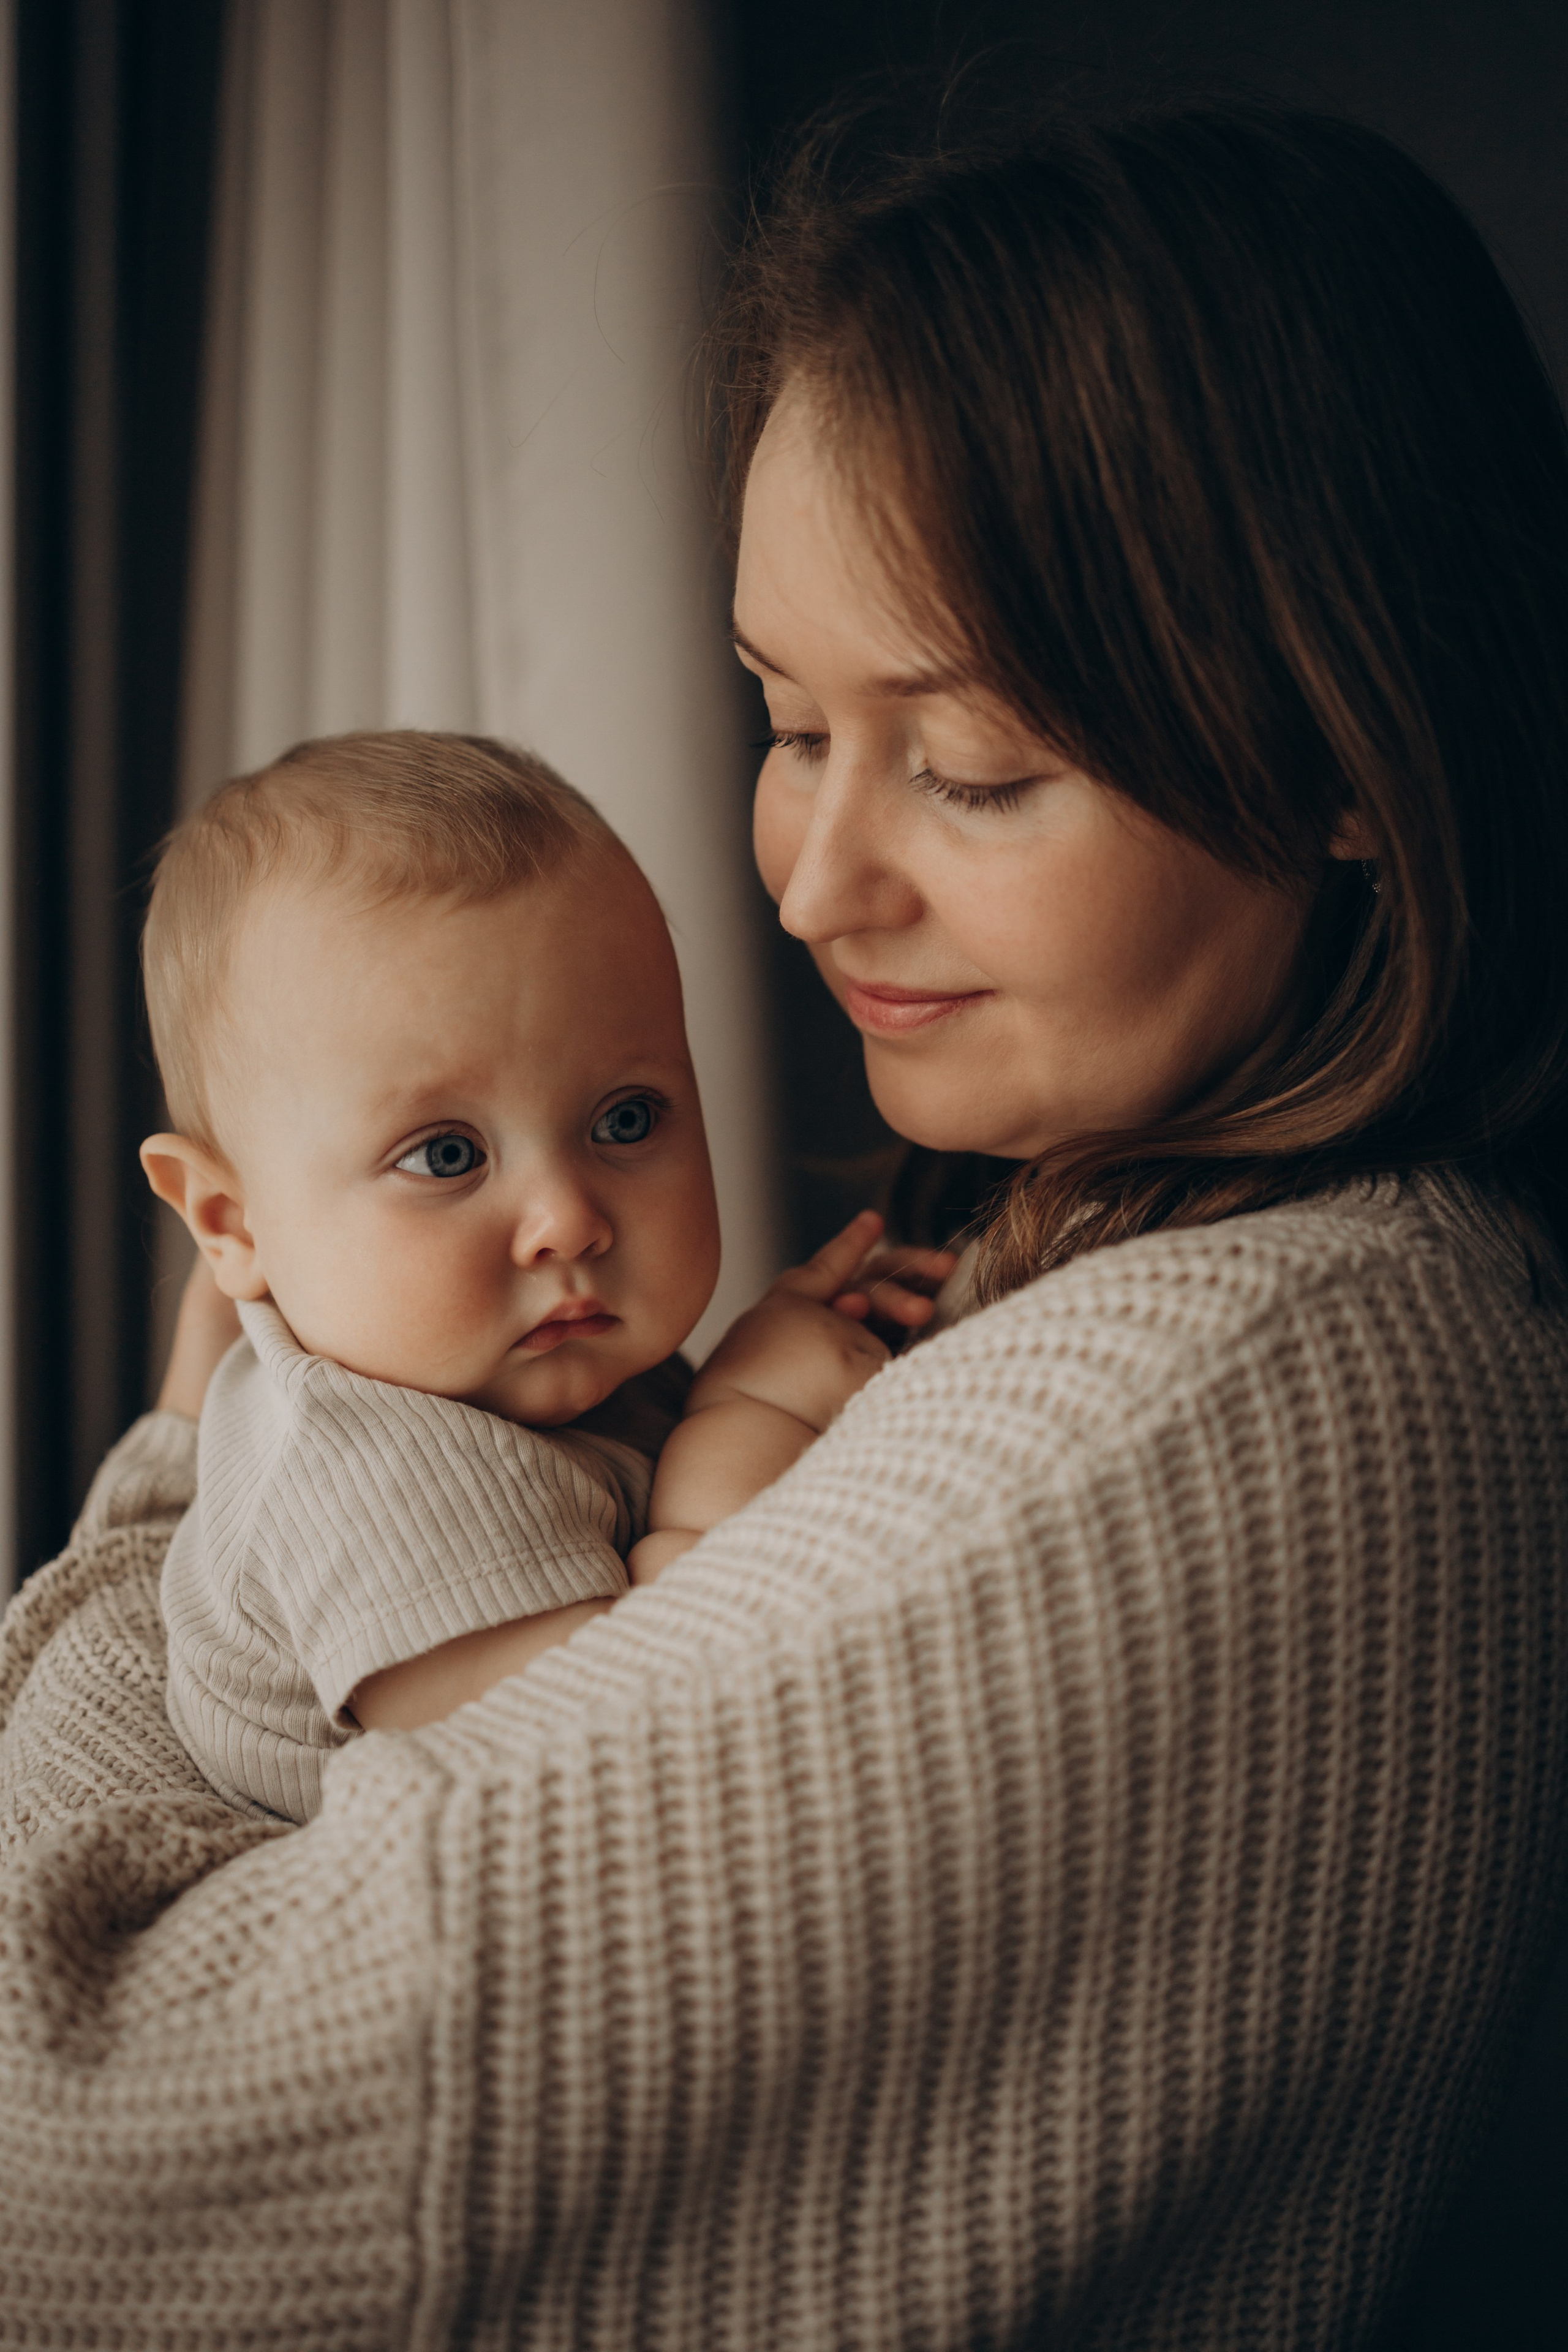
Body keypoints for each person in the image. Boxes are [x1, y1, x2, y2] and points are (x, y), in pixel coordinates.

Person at [3, 99, 1567, 2349]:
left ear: (1347, 749)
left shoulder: (1227, 1399)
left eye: (974, 766)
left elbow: (76, 2174)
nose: (818, 884)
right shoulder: (1090, 1281)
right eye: (783, 720)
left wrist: (178, 1507)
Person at [138, 731, 936, 1821]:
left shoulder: (514, 1355)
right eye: (446, 1156)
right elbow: (632, 1754)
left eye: (625, 1119)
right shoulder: (373, 1479)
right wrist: (747, 1416)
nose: (568, 1220)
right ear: (233, 1223)